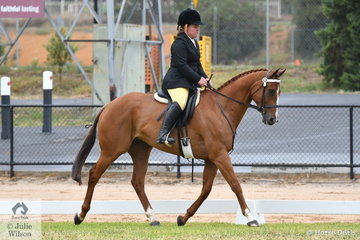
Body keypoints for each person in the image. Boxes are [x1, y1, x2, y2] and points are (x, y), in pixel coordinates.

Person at [156, 8, 209, 145]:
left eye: (198, 26)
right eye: (195, 26)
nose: (198, 29)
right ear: (185, 27)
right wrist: (198, 79)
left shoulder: (193, 42)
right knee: (181, 101)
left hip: (187, 81)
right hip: (176, 82)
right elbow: (182, 66)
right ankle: (163, 134)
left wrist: (205, 78)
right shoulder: (179, 43)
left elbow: (197, 64)